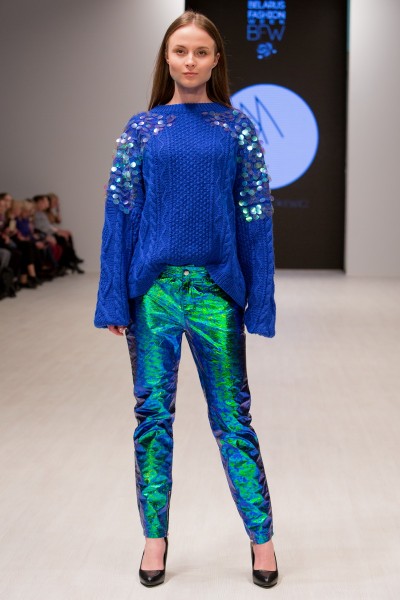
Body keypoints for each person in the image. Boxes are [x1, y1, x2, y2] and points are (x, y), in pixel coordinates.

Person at [94, 10, 278, 588]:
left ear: (216, 59)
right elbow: (120, 214)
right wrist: (113, 299)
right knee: (152, 418)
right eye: (180, 51)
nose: (190, 61)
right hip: (153, 292)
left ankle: (263, 539)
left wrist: (261, 301)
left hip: (216, 292)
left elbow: (255, 219)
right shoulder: (142, 129)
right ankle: (154, 539)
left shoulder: (237, 129)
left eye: (201, 51)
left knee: (233, 419)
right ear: (167, 59)